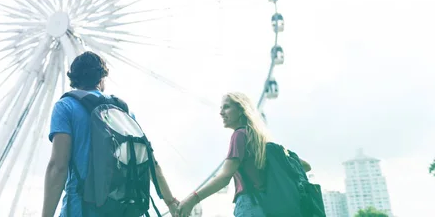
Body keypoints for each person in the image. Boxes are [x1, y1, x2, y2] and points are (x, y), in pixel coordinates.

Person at [42, 51, 179, 217]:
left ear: (74, 80)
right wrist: (171, 202)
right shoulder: (123, 112)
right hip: (123, 209)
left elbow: (58, 166)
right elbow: (150, 163)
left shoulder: (65, 107)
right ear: (102, 78)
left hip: (82, 209)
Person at [176, 92, 312, 217]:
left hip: (250, 204)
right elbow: (305, 166)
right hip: (270, 206)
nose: (221, 113)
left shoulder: (239, 135)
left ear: (241, 110)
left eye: (226, 107)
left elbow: (224, 177)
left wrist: (193, 199)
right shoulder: (261, 141)